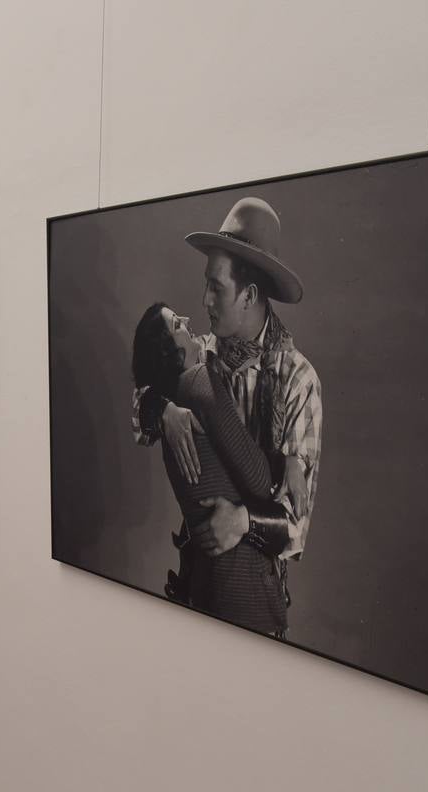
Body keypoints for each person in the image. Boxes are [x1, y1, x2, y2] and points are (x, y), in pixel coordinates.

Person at [133, 197, 323, 633]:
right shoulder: (202, 355)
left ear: (249, 295)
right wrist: (163, 410)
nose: (203, 300)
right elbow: (144, 392)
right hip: (196, 591)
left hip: (252, 600)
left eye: (216, 288)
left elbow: (296, 527)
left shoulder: (298, 381)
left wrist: (243, 521)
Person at [132, 303, 293, 633]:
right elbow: (260, 482)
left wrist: (160, 407)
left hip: (210, 584)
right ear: (171, 352)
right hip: (242, 588)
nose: (189, 320)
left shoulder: (174, 404)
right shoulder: (200, 382)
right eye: (177, 324)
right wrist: (286, 460)